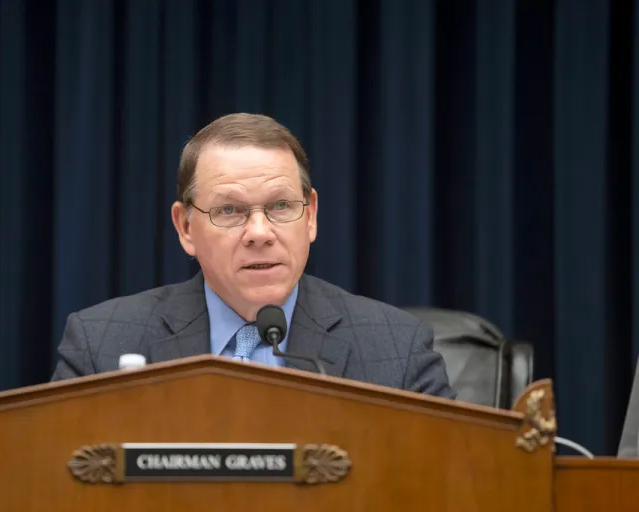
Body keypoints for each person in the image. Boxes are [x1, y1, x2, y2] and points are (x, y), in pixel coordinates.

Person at [51, 113, 455, 399]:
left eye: (280, 206)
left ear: (310, 216)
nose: (260, 233)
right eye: (230, 210)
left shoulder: (397, 350)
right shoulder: (100, 346)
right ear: (186, 227)